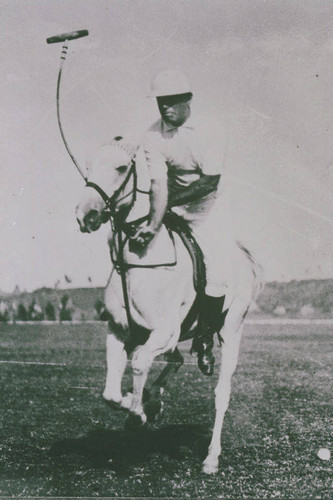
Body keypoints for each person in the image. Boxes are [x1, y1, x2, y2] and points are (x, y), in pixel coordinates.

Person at [132, 69, 233, 376]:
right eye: (162, 101)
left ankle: (204, 337)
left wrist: (162, 207)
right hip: (171, 206)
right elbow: (159, 185)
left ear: (188, 100)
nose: (166, 107)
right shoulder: (152, 135)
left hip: (208, 211)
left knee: (217, 274)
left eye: (173, 101)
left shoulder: (211, 130)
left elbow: (209, 183)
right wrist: (152, 223)